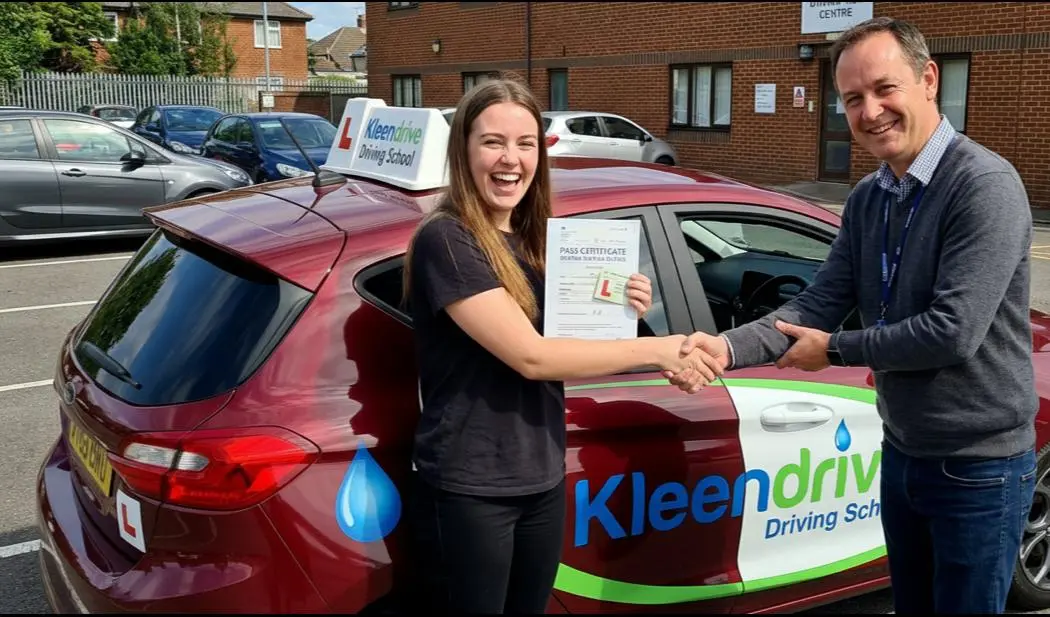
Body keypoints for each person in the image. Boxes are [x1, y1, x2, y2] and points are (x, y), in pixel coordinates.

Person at [671, 16, 1036, 615]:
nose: (870, 112)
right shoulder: (871, 197)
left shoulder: (983, 185)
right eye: (853, 99)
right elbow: (818, 302)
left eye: (884, 89)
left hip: (980, 468)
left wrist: (836, 350)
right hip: (903, 451)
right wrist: (723, 348)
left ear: (928, 80)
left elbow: (953, 332)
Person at [401, 78, 724, 614]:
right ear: (463, 149)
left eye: (526, 143)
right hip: (471, 486)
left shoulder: (533, 241)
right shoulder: (446, 240)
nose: (511, 159)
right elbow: (532, 357)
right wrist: (660, 351)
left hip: (541, 472)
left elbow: (570, 343)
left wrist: (622, 307)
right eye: (493, 142)